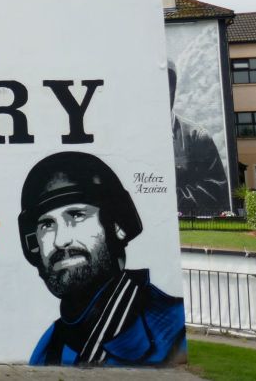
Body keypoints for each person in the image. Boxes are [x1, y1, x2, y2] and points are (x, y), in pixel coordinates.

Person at [18, 151, 185, 366]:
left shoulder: (173, 330)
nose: (60, 240)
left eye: (77, 216)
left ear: (118, 225)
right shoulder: (50, 346)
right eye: (47, 225)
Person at [167, 60, 228, 212]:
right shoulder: (132, 138)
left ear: (173, 89)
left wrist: (164, 196)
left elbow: (216, 191)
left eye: (165, 86)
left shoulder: (197, 137)